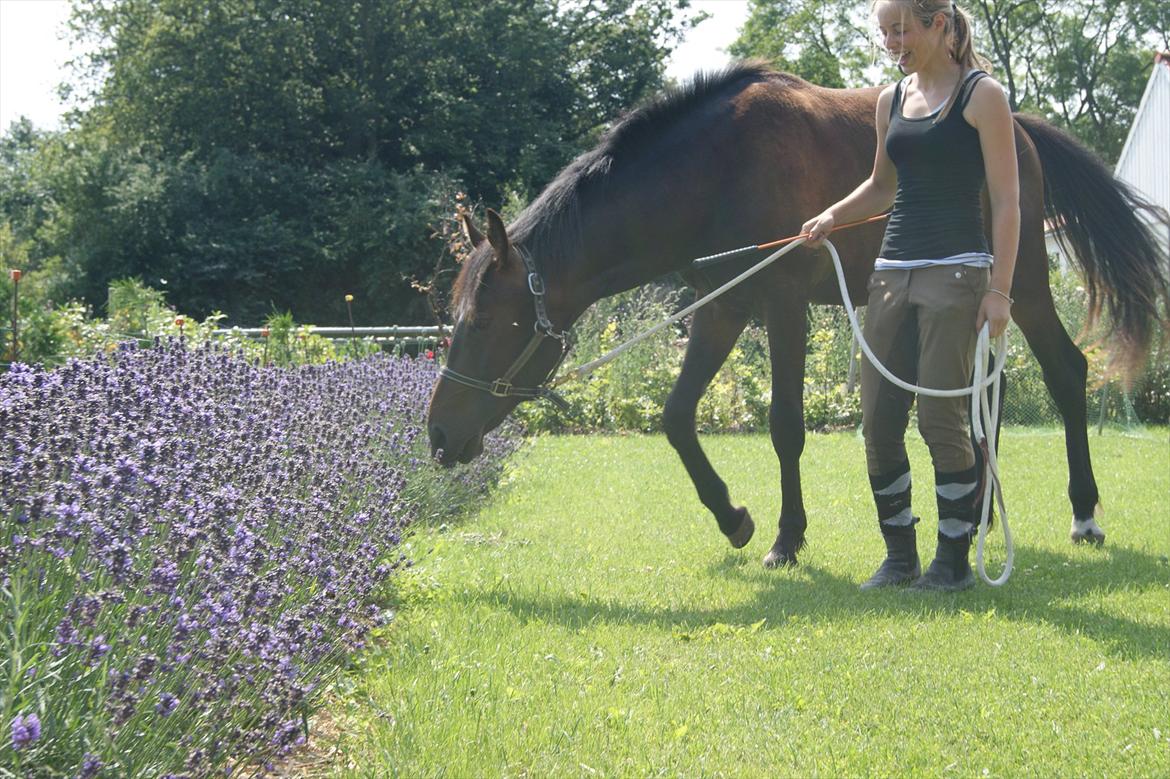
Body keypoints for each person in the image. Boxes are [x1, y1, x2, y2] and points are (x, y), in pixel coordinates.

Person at [801, 0, 1019, 591]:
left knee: (940, 420)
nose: (894, 42)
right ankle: (900, 558)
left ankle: (951, 561)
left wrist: (999, 291)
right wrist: (830, 215)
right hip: (890, 273)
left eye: (903, 30)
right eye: (885, 32)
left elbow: (1007, 202)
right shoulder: (889, 101)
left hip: (958, 275)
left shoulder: (982, 97)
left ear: (939, 24)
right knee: (877, 420)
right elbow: (881, 187)